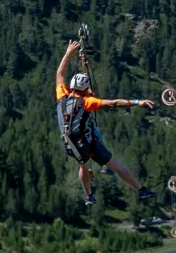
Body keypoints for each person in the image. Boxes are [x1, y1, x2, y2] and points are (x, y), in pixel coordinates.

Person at [55, 40, 157, 205]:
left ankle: (89, 195)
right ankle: (140, 189)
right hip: (86, 143)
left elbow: (60, 74)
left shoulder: (62, 96)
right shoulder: (87, 102)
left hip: (71, 144)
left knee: (84, 165)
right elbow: (114, 103)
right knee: (114, 164)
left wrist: (68, 53)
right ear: (85, 89)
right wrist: (138, 102)